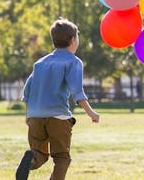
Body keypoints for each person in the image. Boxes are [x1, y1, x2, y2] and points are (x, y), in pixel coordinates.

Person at [15, 18, 101, 180]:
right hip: (58, 117)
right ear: (72, 40)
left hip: (35, 117)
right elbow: (77, 91)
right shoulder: (73, 62)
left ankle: (31, 159)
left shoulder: (40, 63)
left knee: (39, 154)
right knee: (61, 159)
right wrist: (91, 112)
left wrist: (28, 115)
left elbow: (27, 91)